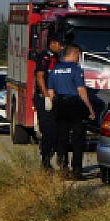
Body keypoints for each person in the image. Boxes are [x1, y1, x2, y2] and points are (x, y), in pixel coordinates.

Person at [46, 45, 95, 179]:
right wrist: (89, 108)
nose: (78, 58)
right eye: (78, 55)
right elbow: (81, 90)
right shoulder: (76, 69)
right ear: (74, 54)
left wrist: (51, 108)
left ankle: (63, 167)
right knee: (78, 138)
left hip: (60, 104)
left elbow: (51, 93)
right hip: (74, 105)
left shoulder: (54, 70)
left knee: (62, 137)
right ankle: (77, 170)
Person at [34, 27, 68, 170]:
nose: (61, 47)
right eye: (60, 44)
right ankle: (45, 161)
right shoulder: (44, 57)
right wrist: (46, 96)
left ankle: (55, 159)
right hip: (44, 98)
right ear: (52, 42)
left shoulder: (56, 58)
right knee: (48, 130)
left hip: (55, 97)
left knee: (56, 131)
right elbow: (40, 77)